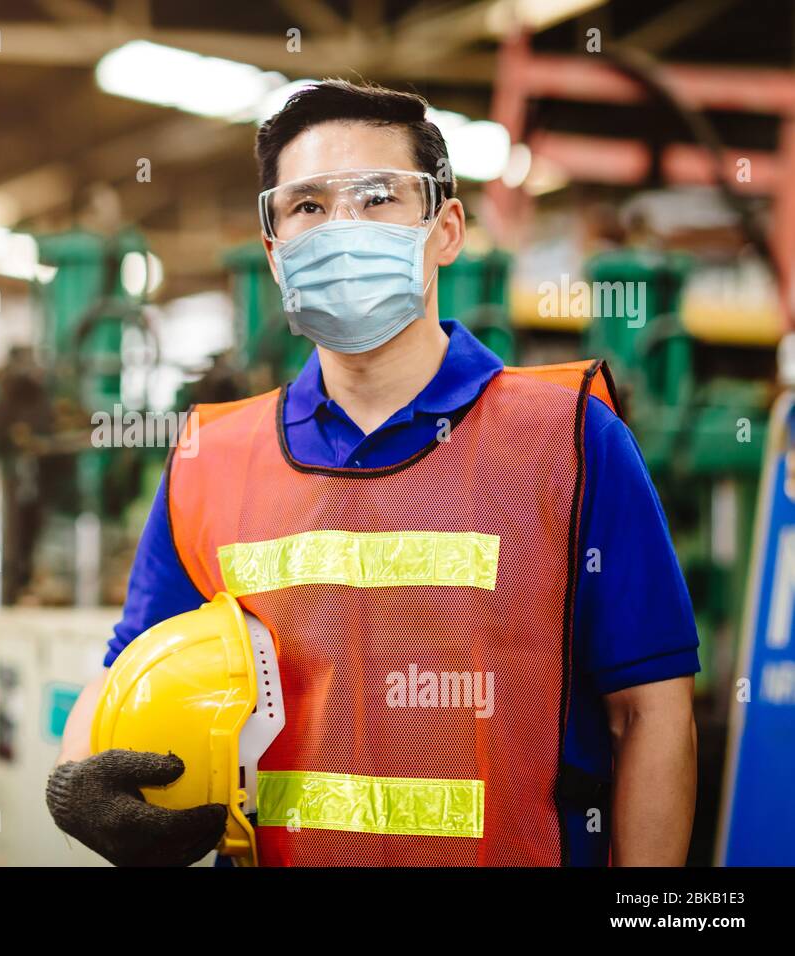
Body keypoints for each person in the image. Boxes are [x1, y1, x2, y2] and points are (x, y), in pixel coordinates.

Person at [47, 79, 699, 867]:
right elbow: (131, 669)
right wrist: (75, 776)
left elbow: (652, 715)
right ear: (273, 247)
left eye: (379, 197)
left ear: (446, 229)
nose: (340, 228)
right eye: (308, 206)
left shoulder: (569, 440)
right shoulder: (209, 458)